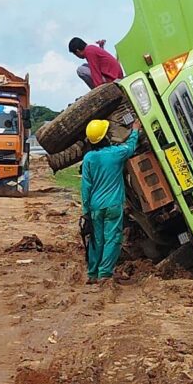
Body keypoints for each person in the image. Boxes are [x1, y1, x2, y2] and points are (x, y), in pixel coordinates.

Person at [77, 117, 143, 282]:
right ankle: (105, 273)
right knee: (112, 239)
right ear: (105, 136)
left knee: (96, 240)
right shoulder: (116, 153)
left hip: (95, 206)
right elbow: (131, 147)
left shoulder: (89, 158)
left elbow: (86, 187)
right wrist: (135, 130)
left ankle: (92, 274)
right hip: (113, 205)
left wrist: (86, 211)